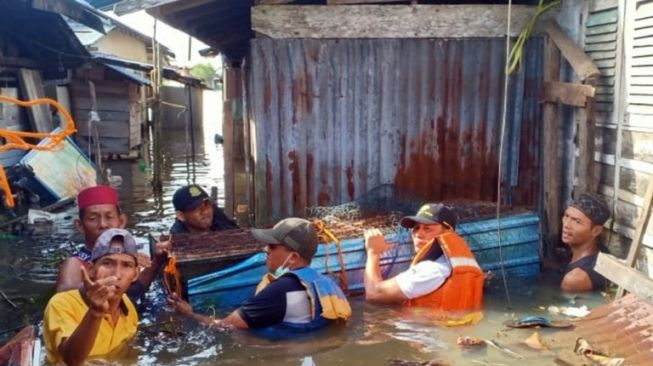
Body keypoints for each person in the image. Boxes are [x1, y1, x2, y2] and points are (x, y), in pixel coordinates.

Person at [168, 218, 351, 333]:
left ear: (293, 257)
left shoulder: (279, 292)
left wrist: (190, 314)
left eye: (272, 246)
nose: (265, 249)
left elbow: (225, 325)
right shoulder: (328, 284)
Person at [364, 203, 484, 324]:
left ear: (447, 233)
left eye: (427, 229)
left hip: (427, 338)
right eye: (416, 228)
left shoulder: (433, 269)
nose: (418, 234)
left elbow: (373, 293)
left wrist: (373, 252)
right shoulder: (457, 262)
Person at [43, 229, 141, 365]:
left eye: (127, 265)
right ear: (91, 270)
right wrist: (95, 312)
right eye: (107, 263)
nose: (116, 274)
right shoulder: (61, 304)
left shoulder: (128, 307)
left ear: (135, 274)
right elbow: (72, 361)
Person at [56, 185, 168, 303]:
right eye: (93, 218)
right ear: (80, 225)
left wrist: (157, 261)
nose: (103, 224)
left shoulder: (129, 254)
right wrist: (97, 279)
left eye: (109, 217)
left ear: (121, 222)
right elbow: (62, 299)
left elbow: (136, 290)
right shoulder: (75, 263)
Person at [560, 193, 610, 292]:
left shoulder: (576, 279)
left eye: (577, 221)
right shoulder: (601, 251)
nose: (566, 224)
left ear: (596, 231)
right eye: (566, 216)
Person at [170, 184, 238, 234]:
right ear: (181, 216)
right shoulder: (177, 241)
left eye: (207, 205)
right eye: (196, 208)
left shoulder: (223, 224)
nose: (205, 212)